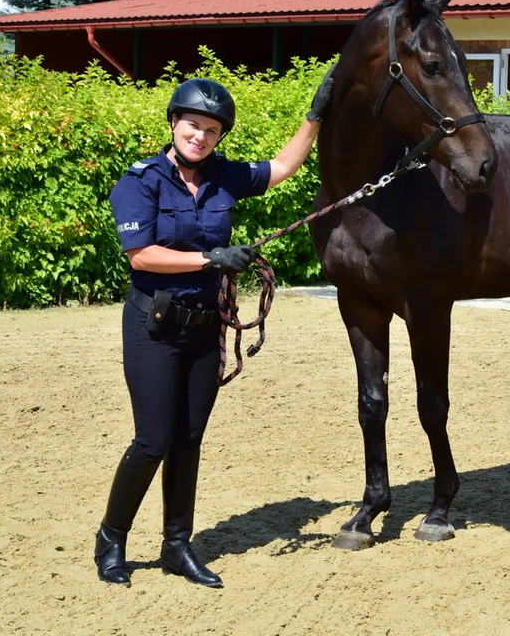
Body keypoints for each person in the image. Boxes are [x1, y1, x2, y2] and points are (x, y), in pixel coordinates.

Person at [95, 69, 334, 588]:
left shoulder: (224, 176)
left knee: (189, 438)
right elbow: (142, 255)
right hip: (153, 326)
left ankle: (177, 546)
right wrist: (211, 259)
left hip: (206, 328)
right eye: (192, 125)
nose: (199, 136)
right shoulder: (140, 182)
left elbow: (283, 167)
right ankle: (111, 539)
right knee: (153, 440)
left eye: (210, 130)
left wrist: (314, 116)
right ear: (174, 123)